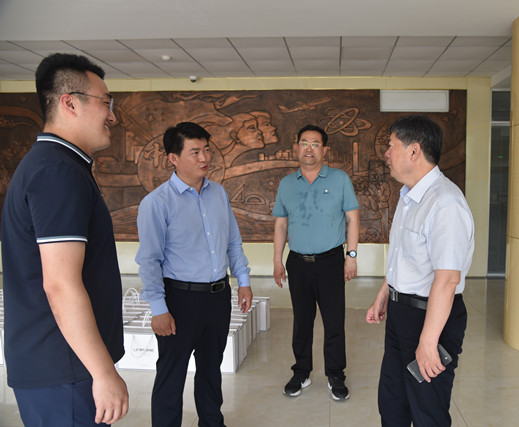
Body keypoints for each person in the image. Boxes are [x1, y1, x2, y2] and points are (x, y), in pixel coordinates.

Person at [1, 53, 128, 426]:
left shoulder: (55, 165)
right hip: (65, 368)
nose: (113, 117)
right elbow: (60, 284)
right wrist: (103, 372)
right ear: (70, 103)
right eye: (106, 103)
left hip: (60, 364)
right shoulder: (57, 172)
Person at [136, 121, 253, 427]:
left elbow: (232, 241)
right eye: (195, 152)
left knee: (211, 370)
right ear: (173, 158)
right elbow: (149, 260)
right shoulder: (156, 203)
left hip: (218, 297)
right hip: (179, 300)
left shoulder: (218, 193)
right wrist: (158, 309)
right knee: (171, 375)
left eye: (207, 150)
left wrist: (243, 281)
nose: (204, 158)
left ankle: (212, 422)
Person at [366, 114, 474, 426]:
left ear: (413, 151)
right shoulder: (409, 196)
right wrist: (384, 295)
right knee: (392, 404)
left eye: (391, 146)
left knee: (427, 411)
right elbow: (404, 257)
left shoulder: (445, 203)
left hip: (431, 318)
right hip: (402, 314)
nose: (386, 153)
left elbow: (447, 279)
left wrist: (428, 342)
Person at [272, 124, 360, 401]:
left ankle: (336, 374)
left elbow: (352, 218)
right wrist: (277, 260)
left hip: (330, 261)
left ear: (325, 150)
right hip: (297, 263)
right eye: (304, 143)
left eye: (315, 144)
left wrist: (351, 256)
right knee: (301, 321)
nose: (309, 148)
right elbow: (281, 224)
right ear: (296, 147)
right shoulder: (287, 184)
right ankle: (301, 372)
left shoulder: (339, 179)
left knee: (334, 321)